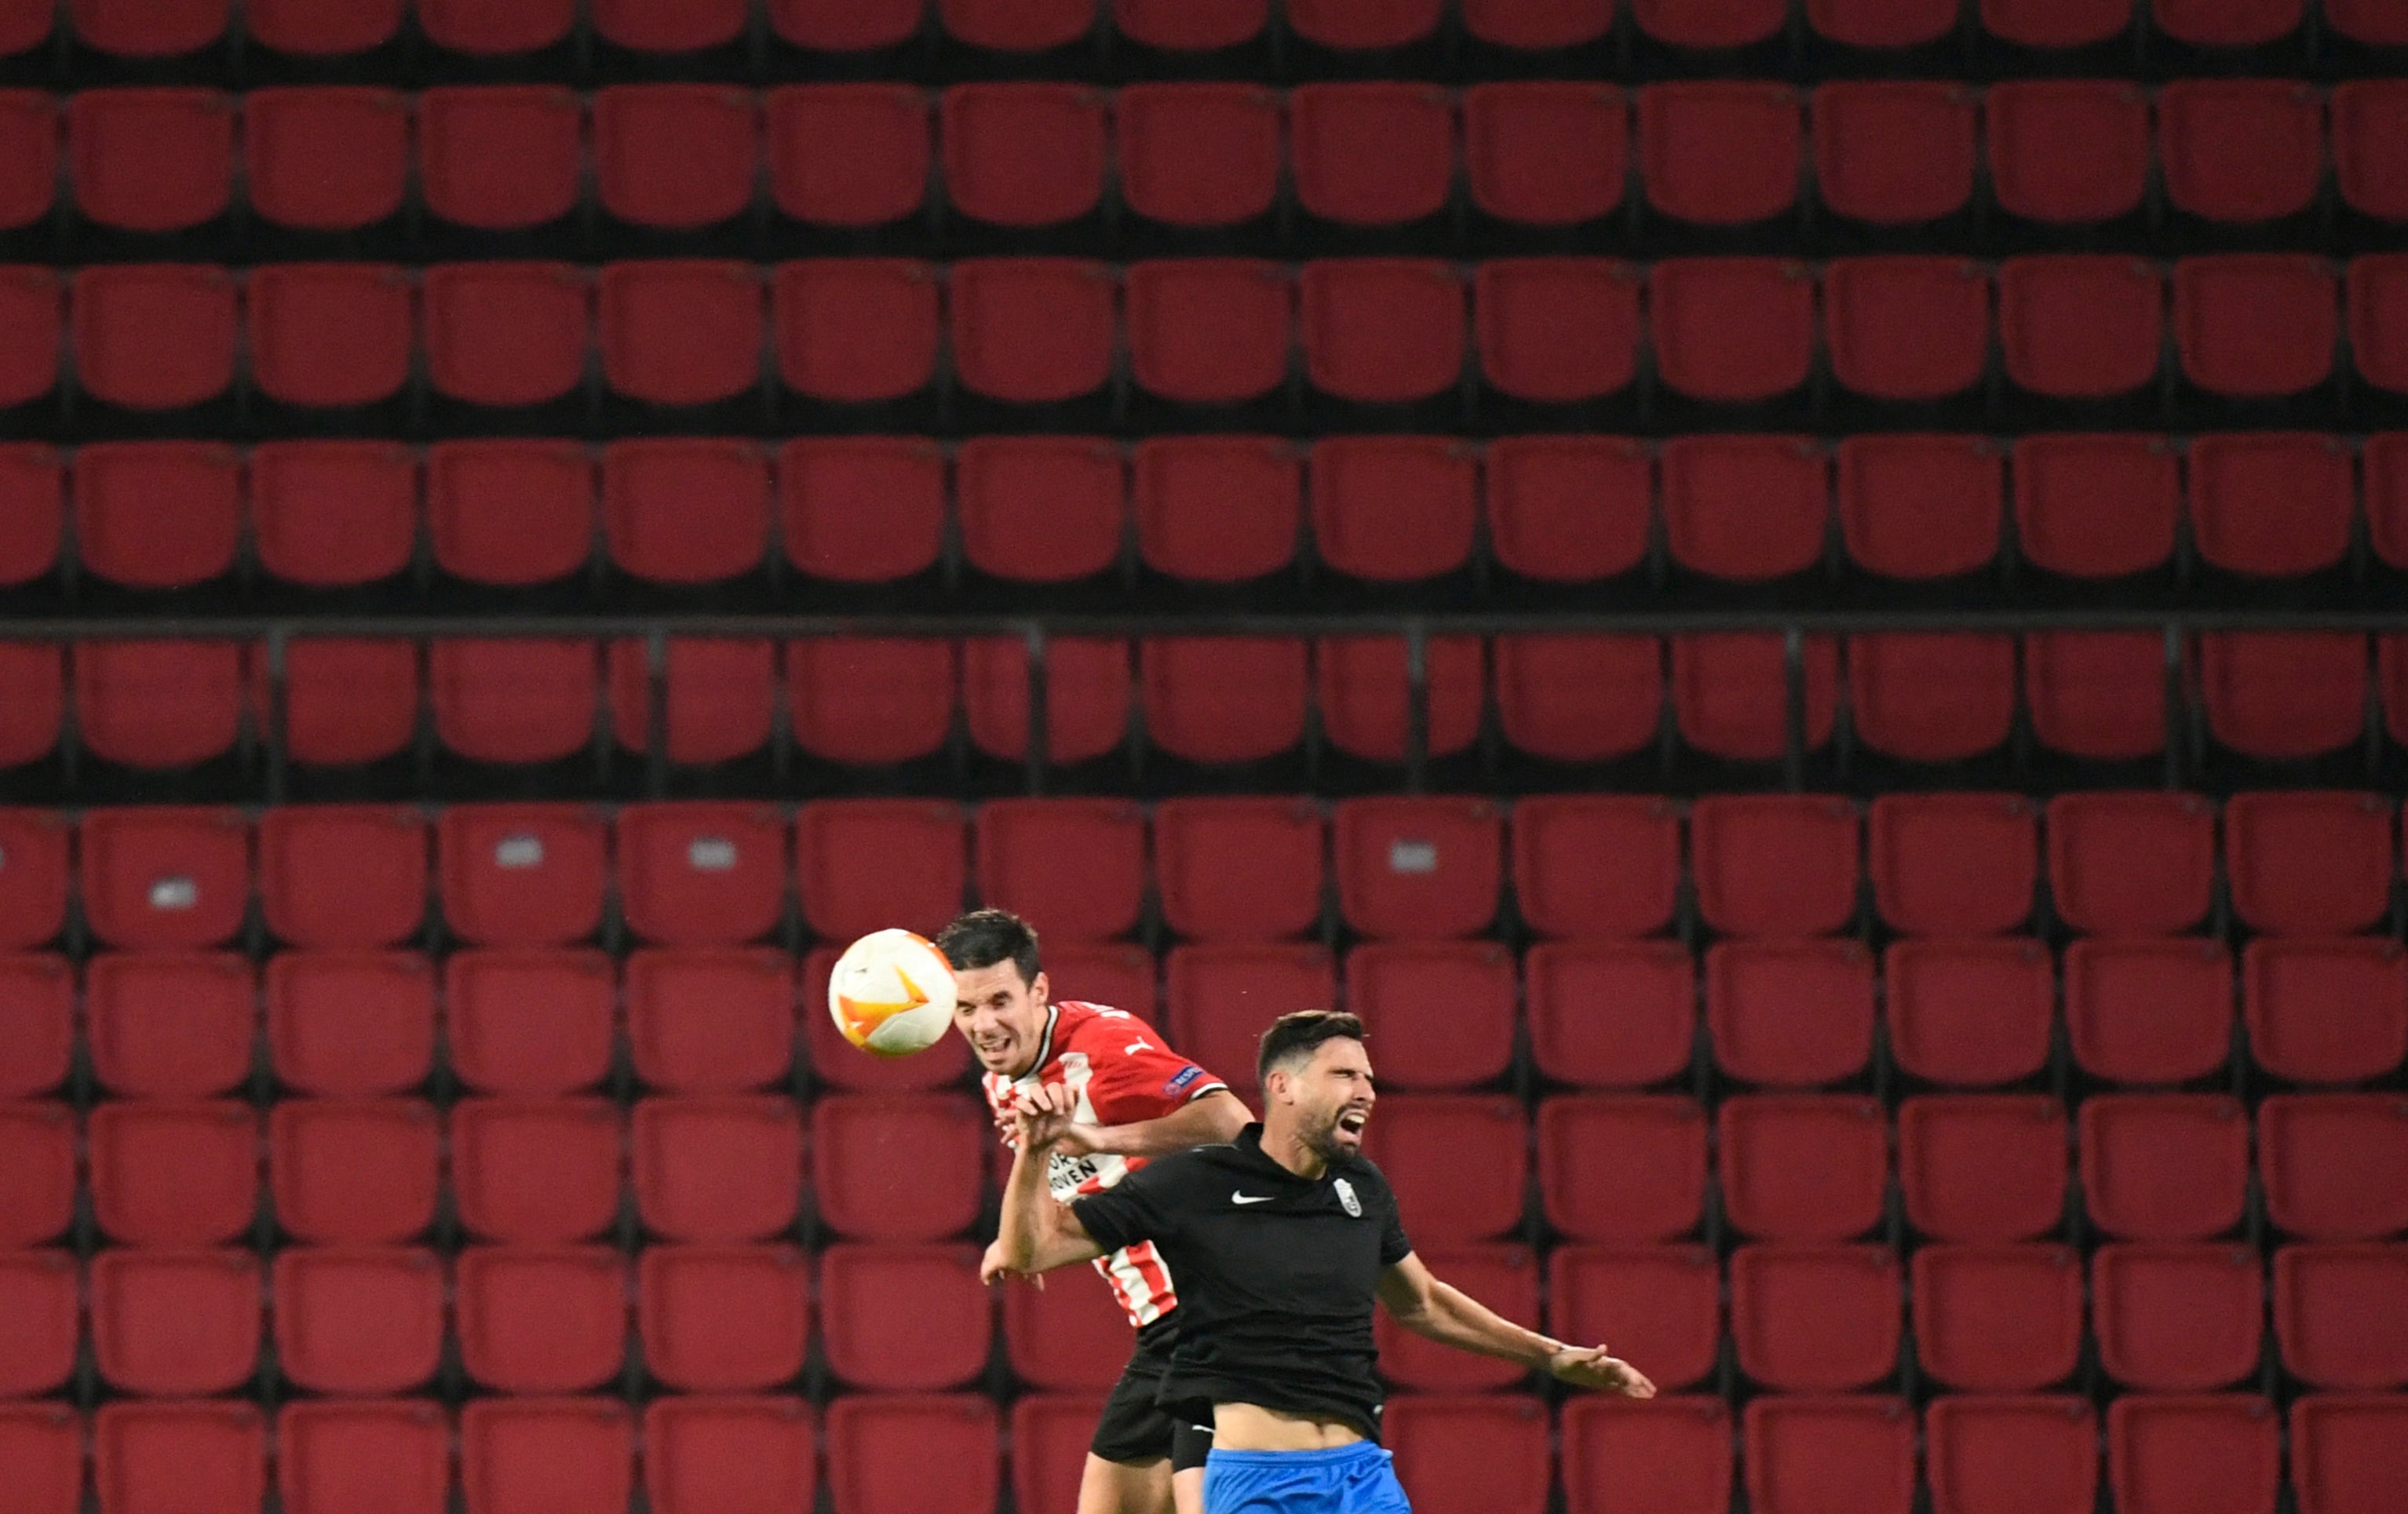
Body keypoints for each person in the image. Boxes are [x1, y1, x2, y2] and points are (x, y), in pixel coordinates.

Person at [988, 1009, 1656, 1514]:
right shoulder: (1192, 1182)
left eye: (1368, 1076)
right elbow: (1035, 1249)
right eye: (1345, 1074)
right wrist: (1037, 1152)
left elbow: (1422, 1301)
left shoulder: (1362, 1188)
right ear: (1283, 1085)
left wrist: (1551, 1354)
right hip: (1255, 1479)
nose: (1366, 1089)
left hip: (1364, 1476)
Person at [939, 909, 1253, 1514]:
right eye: (966, 1008)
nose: (985, 1024)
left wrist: (1097, 1139)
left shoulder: (1104, 1050)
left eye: (1000, 1000)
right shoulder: (1003, 1074)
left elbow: (1233, 1123)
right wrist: (1017, 1237)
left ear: (1038, 991)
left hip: (1216, 1317)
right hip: (1163, 1331)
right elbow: (1058, 1166)